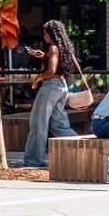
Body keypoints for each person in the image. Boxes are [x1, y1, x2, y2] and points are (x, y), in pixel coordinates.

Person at [21, 18, 83, 168]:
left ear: (52, 33)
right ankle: (83, 145)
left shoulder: (53, 48)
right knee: (58, 125)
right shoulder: (63, 48)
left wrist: (38, 78)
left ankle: (34, 160)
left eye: (46, 33)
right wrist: (44, 56)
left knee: (38, 123)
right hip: (62, 86)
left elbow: (51, 71)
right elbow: (57, 66)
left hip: (50, 86)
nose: (44, 36)